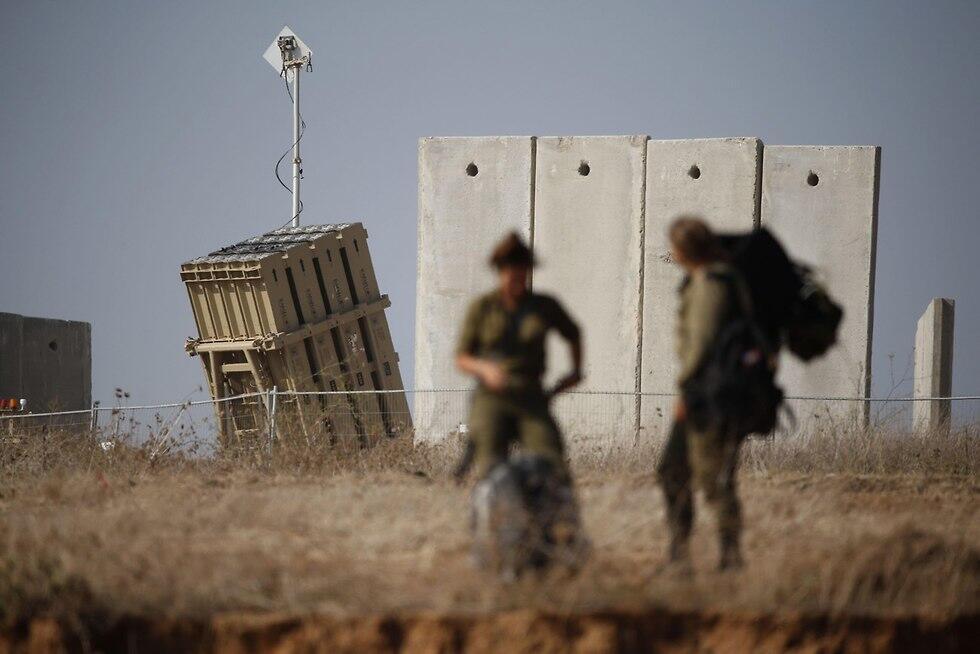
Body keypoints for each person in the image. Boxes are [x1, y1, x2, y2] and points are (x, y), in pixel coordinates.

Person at [657, 216, 749, 571]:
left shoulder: (711, 284)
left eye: (675, 245)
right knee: (673, 470)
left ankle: (730, 556)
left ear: (686, 249)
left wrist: (686, 391)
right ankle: (680, 553)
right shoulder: (710, 279)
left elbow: (702, 343)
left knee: (713, 479)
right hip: (707, 393)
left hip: (710, 396)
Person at [455, 232, 584, 480]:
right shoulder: (483, 307)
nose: (516, 278)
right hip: (492, 396)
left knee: (551, 463)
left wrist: (575, 372)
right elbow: (462, 357)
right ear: (499, 271)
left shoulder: (544, 306)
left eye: (522, 272)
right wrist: (485, 370)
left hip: (531, 396)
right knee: (491, 468)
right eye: (510, 272)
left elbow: (573, 333)